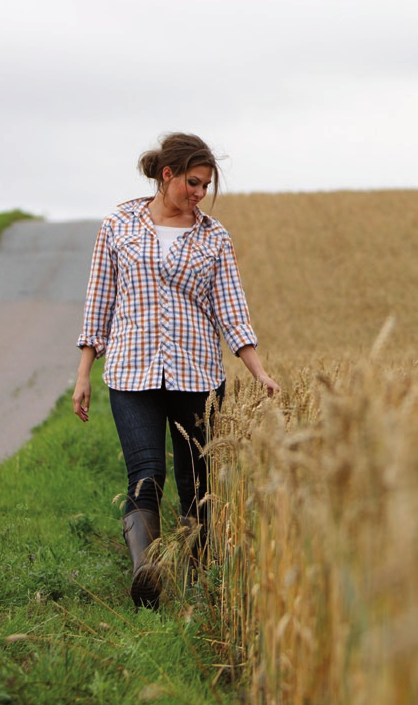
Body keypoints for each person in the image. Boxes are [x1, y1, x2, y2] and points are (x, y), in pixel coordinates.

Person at [72, 132, 279, 608]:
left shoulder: (214, 236)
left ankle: (199, 583)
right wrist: (84, 373)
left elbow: (232, 309)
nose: (199, 193)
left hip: (198, 376)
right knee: (145, 476)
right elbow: (98, 302)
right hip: (131, 373)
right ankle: (148, 575)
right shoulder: (118, 225)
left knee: (198, 482)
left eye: (205, 186)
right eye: (193, 182)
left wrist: (258, 370)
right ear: (167, 174)